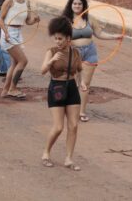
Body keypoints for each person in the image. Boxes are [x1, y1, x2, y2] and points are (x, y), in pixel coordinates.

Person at [62, 0, 122, 122]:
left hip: (90, 51)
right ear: (70, 5)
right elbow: (60, 39)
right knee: (73, 82)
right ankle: (68, 106)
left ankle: (81, 111)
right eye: (75, 3)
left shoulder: (90, 19)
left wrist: (114, 37)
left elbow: (99, 33)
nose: (77, 6)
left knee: (85, 84)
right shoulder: (66, 20)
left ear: (84, 6)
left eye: (80, 4)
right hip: (74, 52)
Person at [41, 16, 86, 171]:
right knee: (59, 127)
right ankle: (46, 153)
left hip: (72, 88)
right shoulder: (51, 51)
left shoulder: (75, 52)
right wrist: (51, 60)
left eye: (60, 39)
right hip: (57, 88)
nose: (58, 42)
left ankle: (69, 158)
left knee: (73, 126)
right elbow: (42, 71)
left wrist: (83, 83)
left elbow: (79, 70)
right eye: (56, 38)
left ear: (68, 38)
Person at [0, 0, 40, 99]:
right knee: (23, 61)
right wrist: (6, 33)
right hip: (8, 32)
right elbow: (0, 19)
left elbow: (27, 21)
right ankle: (13, 88)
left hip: (18, 32)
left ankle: (6, 90)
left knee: (15, 63)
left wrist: (35, 20)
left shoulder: (26, 2)